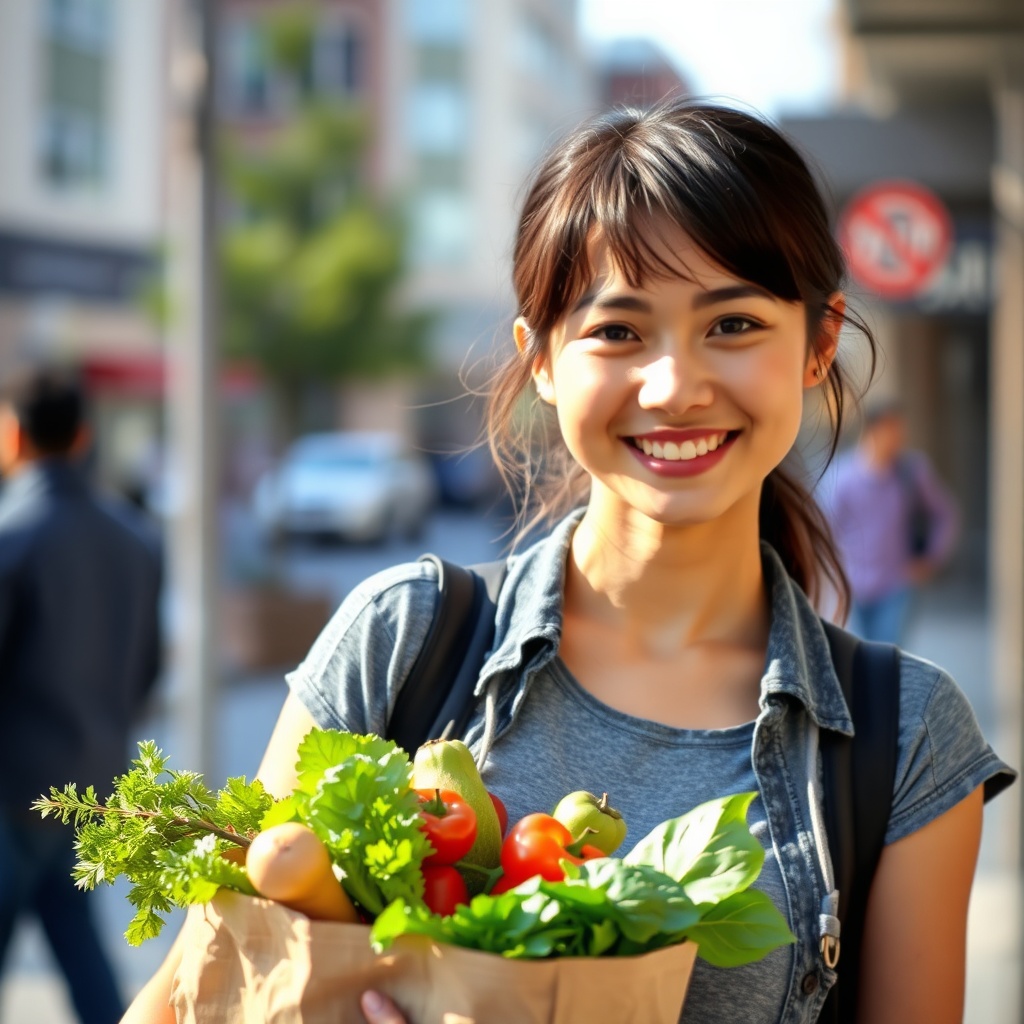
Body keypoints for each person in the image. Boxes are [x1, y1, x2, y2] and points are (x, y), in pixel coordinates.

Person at [124, 100, 1015, 1024]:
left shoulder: (902, 736)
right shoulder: (405, 643)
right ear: (541, 359)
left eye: (734, 324)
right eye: (618, 332)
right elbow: (197, 993)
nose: (674, 387)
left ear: (819, 344)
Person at [0, 366, 163, 1024]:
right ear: (83, 437)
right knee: (82, 952)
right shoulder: (136, 537)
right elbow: (147, 670)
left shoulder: (12, 535)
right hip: (91, 783)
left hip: (10, 791)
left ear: (12, 436)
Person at [817, 399, 960, 645]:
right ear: (873, 431)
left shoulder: (912, 472)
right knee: (856, 658)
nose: (898, 439)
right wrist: (831, 580)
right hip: (852, 589)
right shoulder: (842, 478)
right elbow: (823, 532)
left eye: (900, 431)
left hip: (897, 585)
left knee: (887, 655)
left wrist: (932, 557)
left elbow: (945, 514)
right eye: (891, 431)